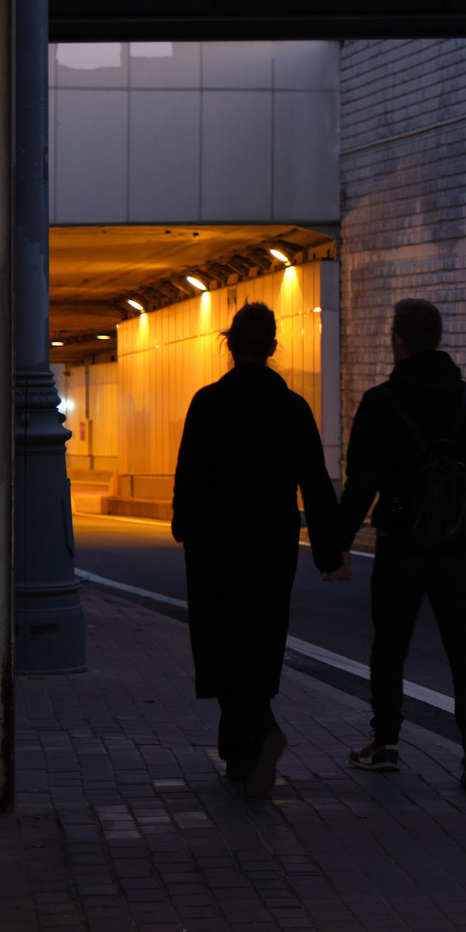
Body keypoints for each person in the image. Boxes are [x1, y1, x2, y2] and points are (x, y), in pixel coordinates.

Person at [328, 298, 466, 792]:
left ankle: (385, 744)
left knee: (390, 647)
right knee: (464, 651)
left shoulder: (381, 401)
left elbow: (361, 482)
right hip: (455, 550)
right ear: (438, 339)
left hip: (401, 544)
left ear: (398, 340)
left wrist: (338, 544)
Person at [170, 302, 343, 797]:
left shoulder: (207, 403)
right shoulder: (292, 408)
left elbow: (189, 474)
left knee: (223, 639)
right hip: (271, 541)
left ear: (230, 346)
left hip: (215, 544)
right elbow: (315, 482)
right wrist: (329, 551)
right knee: (262, 638)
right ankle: (240, 752)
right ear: (271, 348)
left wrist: (185, 524)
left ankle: (256, 738)